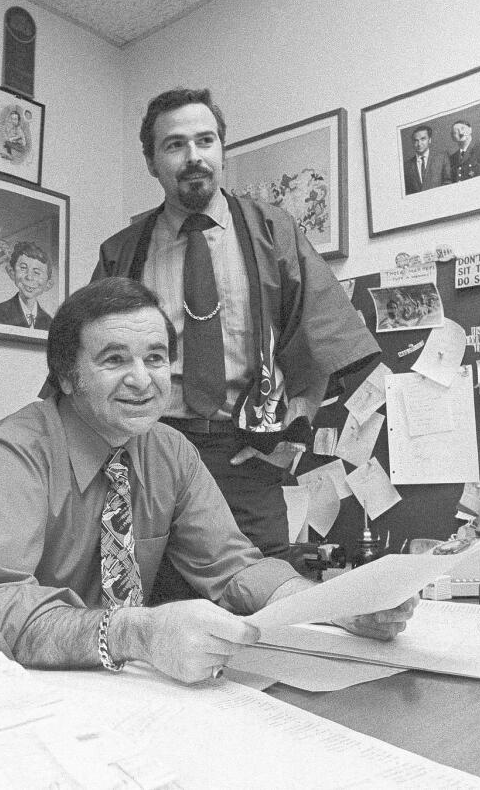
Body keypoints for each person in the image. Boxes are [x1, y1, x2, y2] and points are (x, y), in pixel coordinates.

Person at [0, 277, 415, 682]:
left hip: (120, 690)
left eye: (156, 358)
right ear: (65, 375)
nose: (143, 381)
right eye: (114, 359)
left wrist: (335, 604)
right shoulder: (12, 454)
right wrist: (132, 632)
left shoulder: (170, 451)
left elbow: (233, 567)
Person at [90, 88, 380, 600]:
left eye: (206, 140)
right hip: (150, 448)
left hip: (245, 453)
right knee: (146, 599)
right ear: (153, 163)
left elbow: (330, 337)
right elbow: (86, 359)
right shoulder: (123, 252)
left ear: (223, 150)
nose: (193, 155)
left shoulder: (273, 232)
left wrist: (294, 429)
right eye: (175, 145)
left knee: (260, 602)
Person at [0, 241, 54, 330]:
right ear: (12, 272)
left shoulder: (48, 321)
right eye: (23, 268)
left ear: (48, 283)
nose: (29, 277)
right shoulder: (2, 311)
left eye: (37, 272)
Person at [403, 125, 452, 194]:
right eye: (416, 140)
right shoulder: (406, 166)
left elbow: (448, 183)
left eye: (423, 139)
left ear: (429, 140)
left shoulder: (442, 158)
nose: (419, 144)